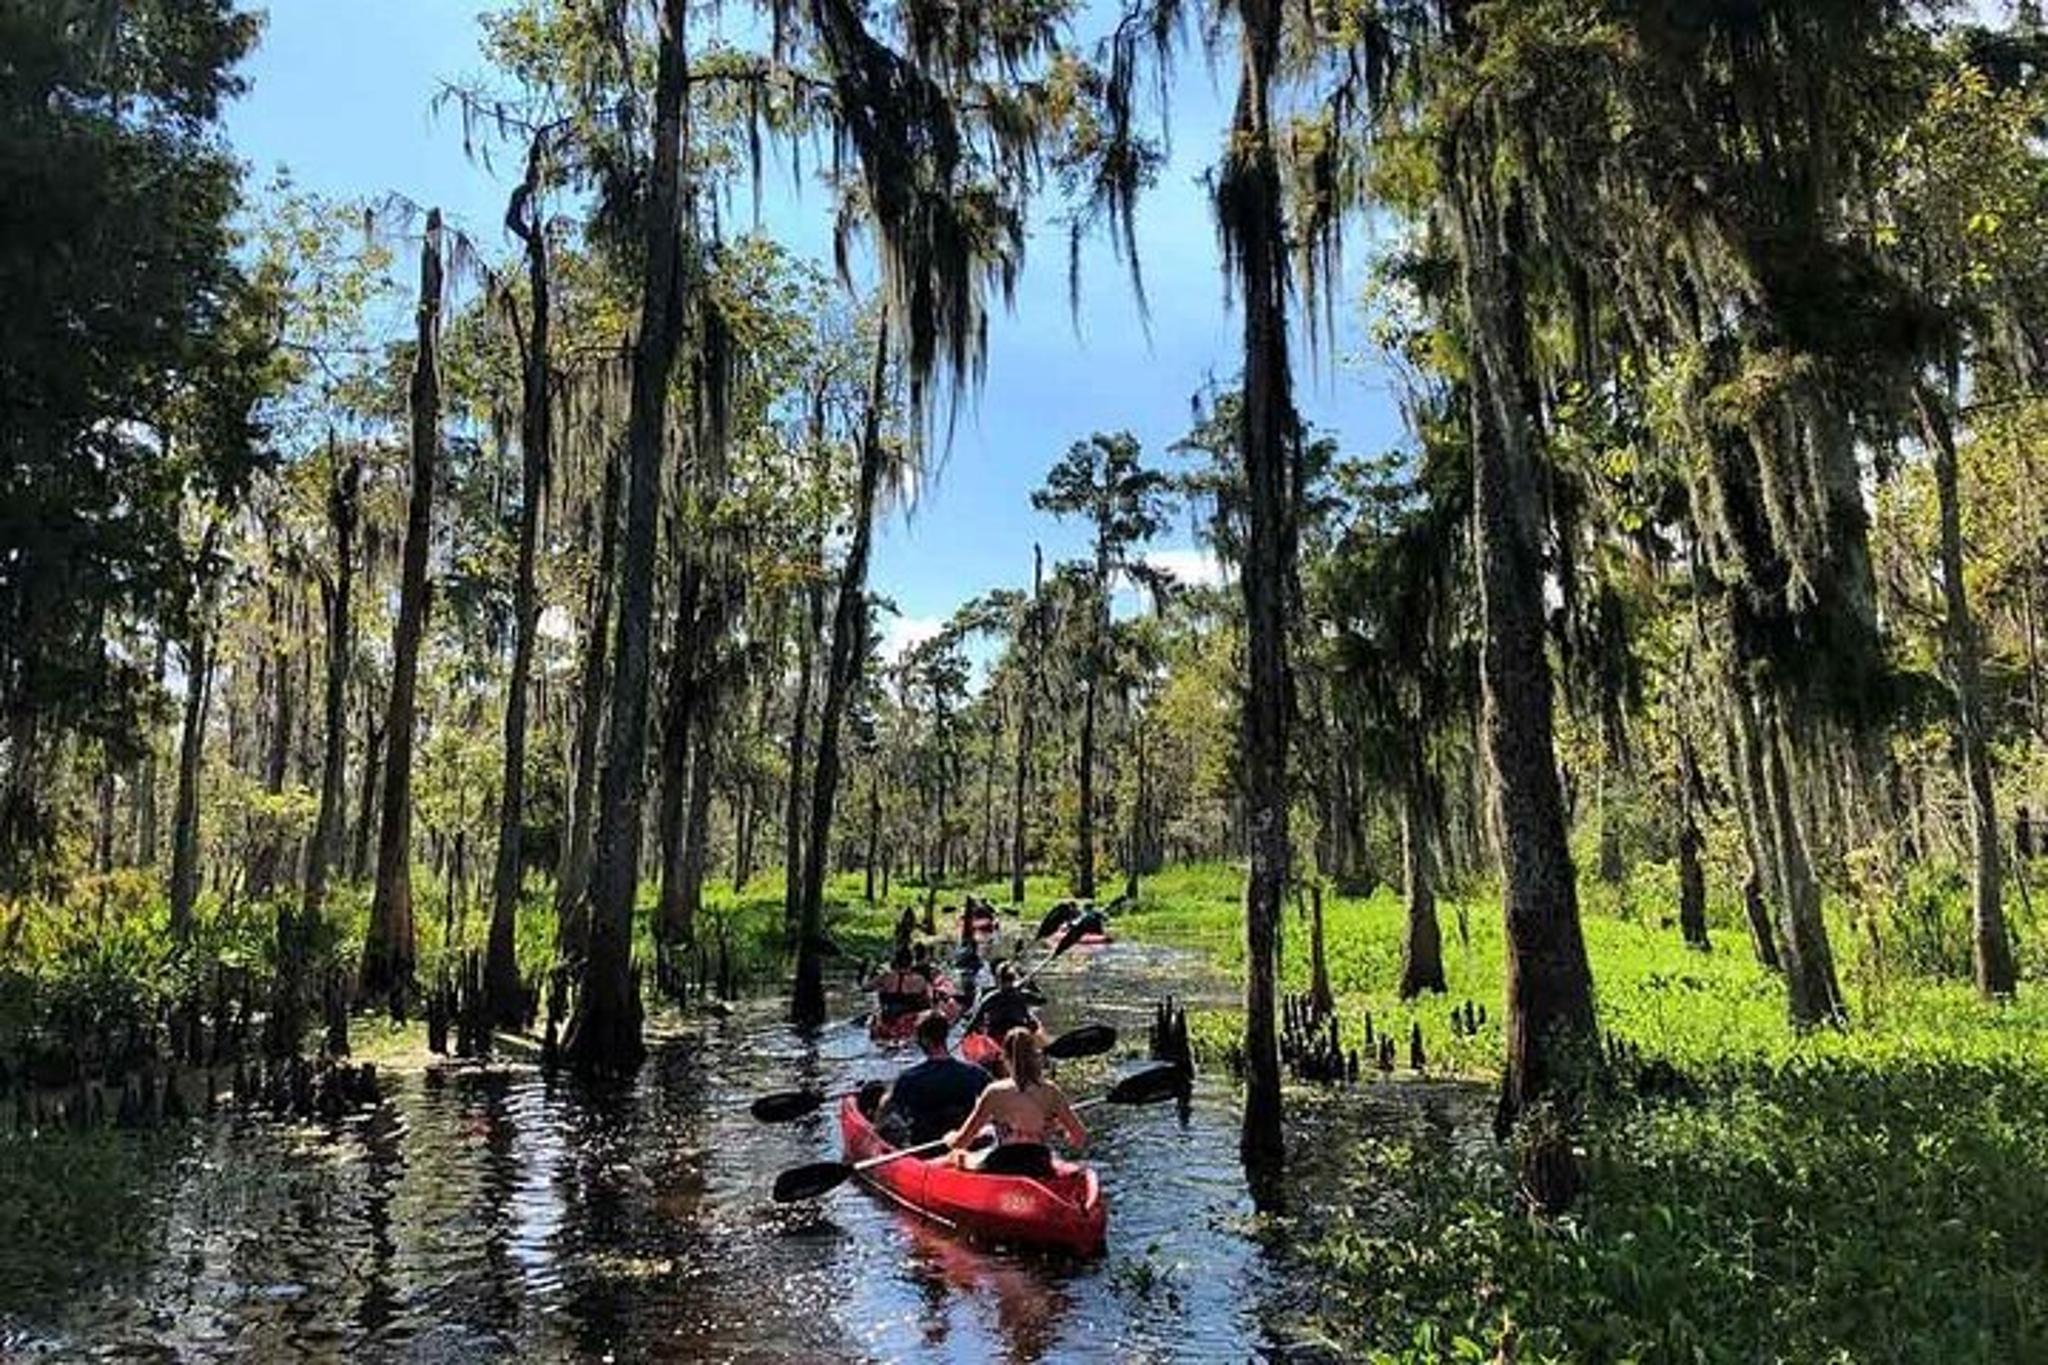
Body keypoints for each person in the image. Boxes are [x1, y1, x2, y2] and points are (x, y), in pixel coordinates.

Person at [943, 1027, 1086, 1176]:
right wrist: (1059, 1130)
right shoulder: (1051, 1091)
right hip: (1039, 1163)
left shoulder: (994, 1091)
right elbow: (1080, 1138)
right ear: (1035, 1056)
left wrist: (950, 1138)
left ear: (1004, 1057)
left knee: (957, 1156)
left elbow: (962, 1142)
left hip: (1002, 1164)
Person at [877, 1011, 993, 1146]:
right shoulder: (975, 1073)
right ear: (945, 1036)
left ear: (924, 1040)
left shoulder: (909, 1078)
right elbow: (998, 1099)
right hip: (965, 1144)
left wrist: (878, 1123)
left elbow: (887, 1109)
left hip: (925, 1149)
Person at [963, 961, 1044, 1041]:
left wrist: (965, 1035)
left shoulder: (990, 997)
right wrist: (1029, 981)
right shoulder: (1022, 995)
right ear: (1013, 980)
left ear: (998, 981)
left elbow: (974, 1021)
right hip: (1014, 1033)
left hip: (999, 1034)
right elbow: (1042, 1000)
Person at [866, 948, 933, 1022]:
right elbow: (929, 998)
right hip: (911, 1018)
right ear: (911, 963)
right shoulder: (920, 979)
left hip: (889, 1015)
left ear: (896, 962)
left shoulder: (885, 977)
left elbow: (866, 988)